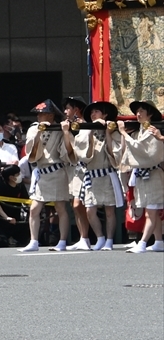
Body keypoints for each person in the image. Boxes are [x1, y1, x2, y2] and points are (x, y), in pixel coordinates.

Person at [20, 100, 76, 252]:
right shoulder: (33, 129)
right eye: (38, 114)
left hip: (56, 170)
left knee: (60, 207)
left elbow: (66, 151)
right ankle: (33, 241)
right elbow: (31, 151)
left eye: (43, 113)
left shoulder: (59, 128)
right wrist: (39, 132)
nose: (39, 116)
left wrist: (65, 132)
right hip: (41, 172)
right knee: (34, 209)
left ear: (51, 115)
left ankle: (62, 241)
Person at [72, 101, 123, 251]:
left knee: (109, 210)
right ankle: (100, 237)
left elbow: (115, 153)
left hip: (106, 173)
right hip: (91, 175)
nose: (93, 114)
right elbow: (81, 152)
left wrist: (107, 133)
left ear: (105, 114)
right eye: (92, 112)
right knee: (90, 209)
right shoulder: (86, 130)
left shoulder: (113, 131)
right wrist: (89, 129)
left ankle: (109, 240)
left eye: (97, 112)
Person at [123, 100, 164, 252]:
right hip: (145, 175)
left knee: (151, 212)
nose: (138, 114)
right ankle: (159, 241)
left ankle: (142, 243)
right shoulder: (141, 130)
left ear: (150, 114)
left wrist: (123, 134)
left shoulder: (153, 130)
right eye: (137, 111)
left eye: (142, 111)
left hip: (153, 175)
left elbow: (145, 153)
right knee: (152, 210)